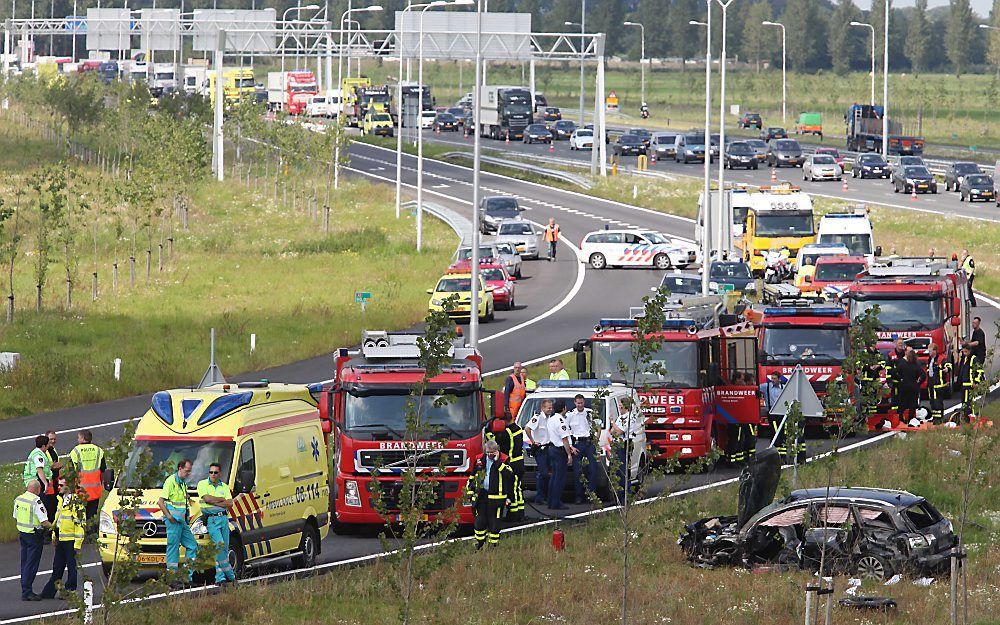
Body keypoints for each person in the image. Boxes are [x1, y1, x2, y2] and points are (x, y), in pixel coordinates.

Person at [39, 478, 85, 599]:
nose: (58, 487)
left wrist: (77, 544)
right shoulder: (61, 500)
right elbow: (58, 520)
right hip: (61, 539)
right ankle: (49, 591)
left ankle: (69, 591)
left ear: (68, 487)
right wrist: (54, 535)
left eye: (61, 485)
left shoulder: (76, 503)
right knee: (57, 566)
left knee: (71, 567)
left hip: (70, 541)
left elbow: (80, 524)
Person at [466, 440, 513, 549]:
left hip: (497, 498)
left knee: (494, 523)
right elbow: (472, 476)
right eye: (488, 452)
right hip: (481, 496)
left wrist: (498, 462)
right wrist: (470, 492)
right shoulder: (479, 459)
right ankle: (479, 543)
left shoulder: (504, 459)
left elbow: (509, 475)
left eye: (493, 452)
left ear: (497, 451)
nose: (490, 455)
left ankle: (493, 545)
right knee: (479, 521)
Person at [158, 459, 198, 587]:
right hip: (173, 522)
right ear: (180, 468)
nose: (188, 474)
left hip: (182, 522)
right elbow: (160, 502)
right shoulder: (171, 481)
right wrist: (169, 516)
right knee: (173, 548)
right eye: (187, 471)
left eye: (189, 471)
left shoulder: (183, 484)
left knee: (192, 545)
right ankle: (172, 578)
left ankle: (186, 576)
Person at [197, 462, 236, 586]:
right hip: (212, 520)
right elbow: (207, 499)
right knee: (219, 546)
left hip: (224, 519)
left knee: (223, 549)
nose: (213, 474)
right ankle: (230, 575)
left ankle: (220, 578)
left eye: (215, 472)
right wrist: (221, 500)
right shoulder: (202, 484)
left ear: (220, 474)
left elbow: (230, 503)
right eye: (211, 472)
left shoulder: (224, 486)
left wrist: (214, 502)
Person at [483, 413, 525, 521]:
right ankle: (521, 512)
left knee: (512, 490)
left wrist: (488, 432)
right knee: (517, 488)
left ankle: (513, 515)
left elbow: (495, 443)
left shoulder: (507, 432)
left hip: (512, 463)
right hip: (520, 462)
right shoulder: (518, 429)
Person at [14, 480, 50, 601]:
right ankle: (27, 591)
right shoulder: (36, 501)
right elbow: (44, 522)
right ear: (37, 489)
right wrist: (54, 527)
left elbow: (15, 515)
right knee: (32, 563)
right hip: (34, 536)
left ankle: (25, 588)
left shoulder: (19, 499)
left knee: (25, 562)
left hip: (22, 533)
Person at [69, 429, 106, 524]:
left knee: (80, 517)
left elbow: (71, 472)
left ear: (82, 438)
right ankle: (91, 536)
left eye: (78, 437)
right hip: (95, 490)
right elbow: (103, 470)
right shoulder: (98, 450)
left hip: (80, 491)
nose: (78, 439)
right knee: (92, 517)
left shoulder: (75, 451)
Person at [609, 398, 643, 503]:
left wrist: (612, 422)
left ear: (626, 407)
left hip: (625, 444)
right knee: (618, 471)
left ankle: (625, 496)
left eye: (621, 405)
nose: (619, 407)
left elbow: (619, 431)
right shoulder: (620, 417)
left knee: (624, 471)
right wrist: (614, 427)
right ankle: (619, 496)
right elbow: (612, 432)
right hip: (618, 444)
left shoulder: (629, 418)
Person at [565, 394, 597, 504]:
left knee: (593, 468)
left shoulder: (590, 413)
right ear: (574, 403)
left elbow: (597, 426)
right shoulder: (570, 415)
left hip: (589, 442)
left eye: (581, 403)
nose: (580, 405)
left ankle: (592, 495)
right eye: (578, 403)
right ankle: (578, 496)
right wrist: (570, 446)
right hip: (577, 443)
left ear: (584, 402)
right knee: (577, 471)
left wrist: (595, 440)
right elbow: (565, 431)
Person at [545, 400, 576, 510]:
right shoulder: (561, 421)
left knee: (553, 477)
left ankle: (551, 501)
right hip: (559, 451)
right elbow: (564, 439)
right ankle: (556, 502)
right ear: (564, 409)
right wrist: (569, 454)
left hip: (551, 448)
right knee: (559, 478)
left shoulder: (551, 419)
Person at [524, 400, 553, 505]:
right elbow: (527, 429)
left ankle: (543, 496)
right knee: (544, 473)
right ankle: (540, 497)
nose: (550, 409)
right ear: (543, 408)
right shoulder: (537, 418)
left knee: (547, 474)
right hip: (540, 449)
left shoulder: (551, 419)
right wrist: (533, 441)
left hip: (549, 448)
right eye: (548, 408)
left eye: (551, 407)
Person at [895, 348, 926, 426]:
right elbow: (923, 375)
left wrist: (900, 379)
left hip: (904, 386)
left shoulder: (902, 363)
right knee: (912, 405)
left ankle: (900, 419)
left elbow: (894, 373)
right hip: (914, 386)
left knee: (902, 404)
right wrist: (918, 382)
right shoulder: (916, 365)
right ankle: (911, 420)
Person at [956, 343, 984, 421]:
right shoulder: (964, 359)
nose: (964, 354)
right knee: (964, 403)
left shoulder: (974, 359)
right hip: (963, 385)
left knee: (969, 403)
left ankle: (969, 418)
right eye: (963, 352)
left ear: (969, 351)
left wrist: (976, 382)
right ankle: (966, 418)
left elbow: (980, 371)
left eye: (966, 352)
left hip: (970, 385)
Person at [925, 342, 951, 423]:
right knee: (932, 401)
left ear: (935, 351)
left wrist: (946, 369)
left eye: (930, 351)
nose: (929, 352)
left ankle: (939, 418)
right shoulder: (930, 360)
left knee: (938, 402)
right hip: (931, 384)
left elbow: (948, 365)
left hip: (938, 384)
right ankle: (935, 417)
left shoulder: (941, 359)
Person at [43, 431, 61, 525]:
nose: (53, 441)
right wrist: (54, 466)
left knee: (55, 506)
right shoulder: (44, 451)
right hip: (48, 485)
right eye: (51, 439)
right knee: (49, 507)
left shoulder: (53, 450)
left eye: (54, 439)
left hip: (55, 483)